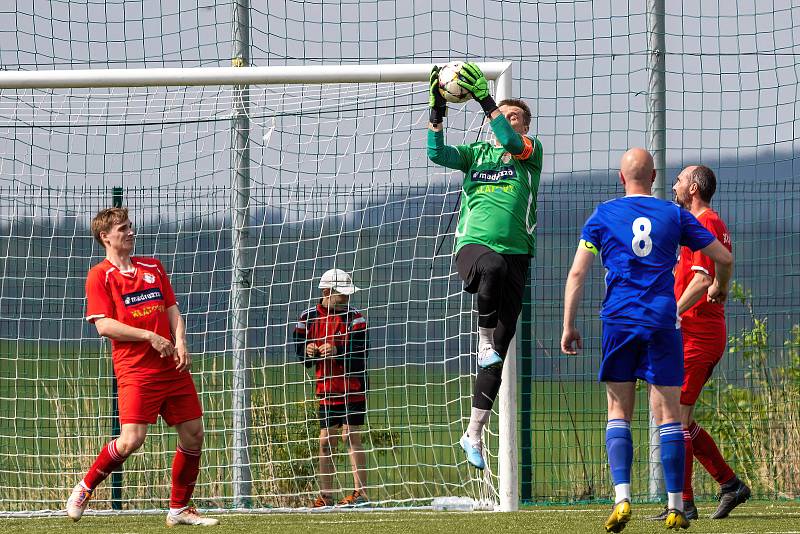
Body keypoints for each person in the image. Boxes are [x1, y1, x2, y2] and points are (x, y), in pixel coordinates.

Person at [560, 149, 733, 532]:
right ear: (654, 176)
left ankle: (622, 498)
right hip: (661, 321)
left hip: (619, 320)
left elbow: (576, 274)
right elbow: (722, 256)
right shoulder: (674, 215)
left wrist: (569, 326)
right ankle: (675, 505)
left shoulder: (603, 215)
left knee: (619, 411)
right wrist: (722, 285)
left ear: (621, 179)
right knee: (671, 415)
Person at [67, 207, 218, 526]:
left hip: (171, 367)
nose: (131, 232)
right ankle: (85, 487)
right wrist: (149, 336)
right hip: (137, 371)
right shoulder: (100, 275)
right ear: (105, 237)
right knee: (131, 439)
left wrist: (180, 341)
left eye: (131, 226)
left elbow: (173, 309)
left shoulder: (153, 267)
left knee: (194, 434)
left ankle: (178, 509)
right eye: (123, 228)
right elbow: (104, 326)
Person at [427, 62, 543, 470]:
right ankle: (482, 340)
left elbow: (510, 141)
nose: (508, 120)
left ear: (525, 126)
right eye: (504, 113)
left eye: (516, 117)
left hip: (519, 253)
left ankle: (473, 432)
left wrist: (485, 100)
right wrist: (437, 109)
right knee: (490, 268)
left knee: (504, 342)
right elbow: (436, 152)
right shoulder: (475, 154)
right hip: (474, 248)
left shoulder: (529, 153)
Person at [666, 165, 749, 519]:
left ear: (694, 188)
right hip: (694, 332)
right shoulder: (699, 224)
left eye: (680, 180)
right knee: (679, 418)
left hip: (698, 334)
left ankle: (684, 502)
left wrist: (669, 312)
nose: (675, 185)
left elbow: (702, 280)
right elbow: (696, 274)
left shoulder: (704, 223)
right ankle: (730, 485)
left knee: (677, 417)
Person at [293, 268, 369, 508]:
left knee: (351, 436)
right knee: (326, 441)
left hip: (353, 387)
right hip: (326, 389)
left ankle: (361, 495)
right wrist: (308, 351)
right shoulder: (307, 318)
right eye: (341, 294)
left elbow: (361, 354)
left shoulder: (356, 318)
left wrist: (337, 351)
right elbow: (301, 353)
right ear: (326, 292)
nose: (347, 299)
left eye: (348, 294)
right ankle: (326, 496)